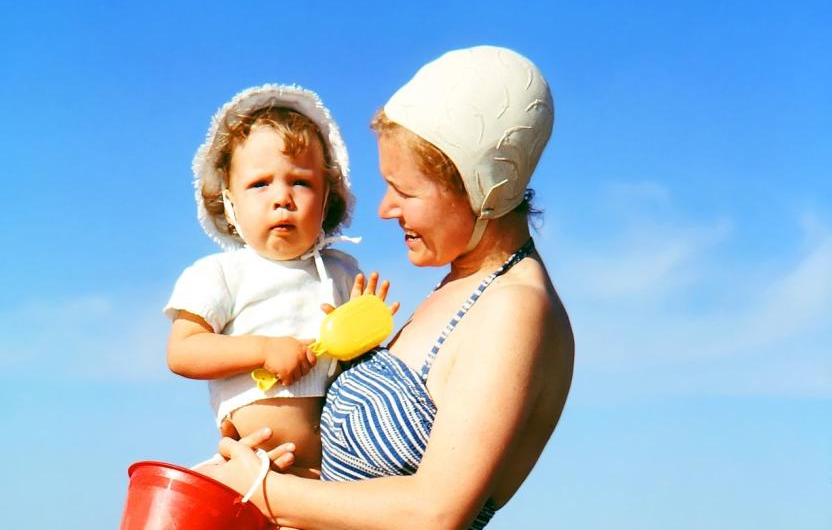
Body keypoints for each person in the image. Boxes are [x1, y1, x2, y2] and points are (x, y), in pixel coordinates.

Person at [203, 46, 575, 529]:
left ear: (483, 188)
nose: (384, 209)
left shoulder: (516, 308)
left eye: (405, 190)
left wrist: (263, 489)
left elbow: (434, 512)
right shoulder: (461, 285)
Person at [163, 84, 362, 475]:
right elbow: (183, 352)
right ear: (229, 200)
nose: (282, 198)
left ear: (326, 198)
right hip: (255, 468)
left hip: (330, 475)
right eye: (260, 184)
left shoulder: (341, 272)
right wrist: (264, 349)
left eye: (301, 182)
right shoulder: (221, 273)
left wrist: (366, 328)